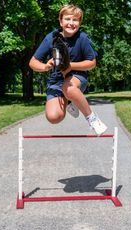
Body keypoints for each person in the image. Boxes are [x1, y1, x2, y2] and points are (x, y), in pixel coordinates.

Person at [29, 4, 107, 135]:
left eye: (75, 20)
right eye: (67, 19)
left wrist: (70, 65)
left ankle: (93, 119)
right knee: (54, 117)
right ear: (61, 21)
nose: (71, 23)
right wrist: (46, 66)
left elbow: (92, 63)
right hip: (56, 80)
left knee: (69, 88)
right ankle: (70, 101)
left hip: (76, 77)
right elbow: (33, 62)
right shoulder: (51, 38)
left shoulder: (82, 38)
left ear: (79, 23)